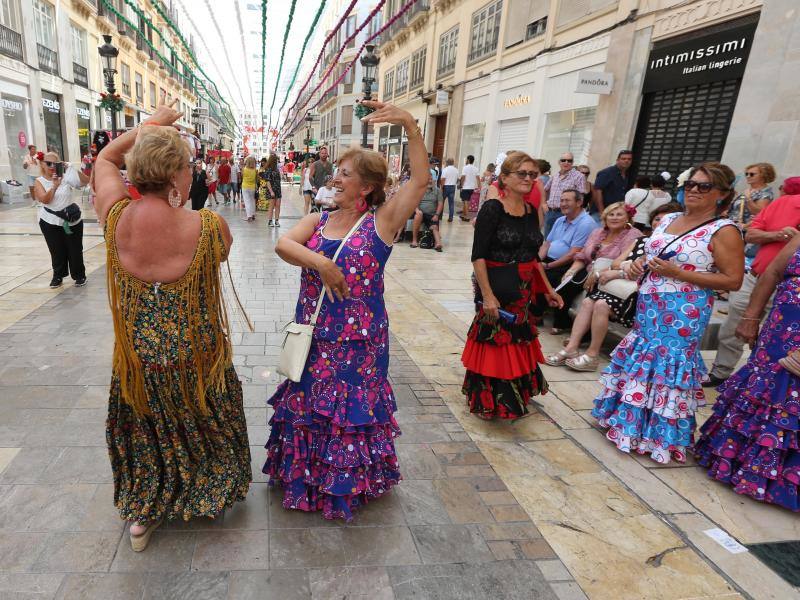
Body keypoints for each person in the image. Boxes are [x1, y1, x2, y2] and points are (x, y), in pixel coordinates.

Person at [91, 97, 251, 551]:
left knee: (145, 425)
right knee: (203, 416)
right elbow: (220, 255)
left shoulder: (114, 216)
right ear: (180, 174)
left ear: (137, 171)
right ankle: (209, 491)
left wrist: (148, 126)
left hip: (140, 358)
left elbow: (105, 157)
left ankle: (144, 511)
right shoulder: (208, 226)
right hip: (196, 354)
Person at [263, 100, 429, 520]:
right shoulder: (320, 221)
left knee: (347, 414)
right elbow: (284, 245)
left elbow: (420, 182)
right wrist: (322, 263)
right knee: (309, 407)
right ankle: (307, 477)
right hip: (315, 336)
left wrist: (409, 124)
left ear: (367, 188)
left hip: (359, 345)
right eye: (337, 171)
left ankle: (345, 483)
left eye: (345, 174)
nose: (335, 178)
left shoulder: (383, 222)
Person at [592, 162, 744, 464]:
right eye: (690, 184)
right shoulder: (670, 218)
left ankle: (657, 435)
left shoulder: (724, 230)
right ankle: (627, 423)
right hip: (651, 305)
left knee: (667, 367)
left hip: (684, 311)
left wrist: (680, 273)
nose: (694, 190)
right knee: (644, 358)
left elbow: (733, 280)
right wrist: (636, 265)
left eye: (704, 186)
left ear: (721, 194)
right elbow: (651, 255)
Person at [694, 232, 800, 512]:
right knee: (764, 385)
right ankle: (737, 464)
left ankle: (780, 480)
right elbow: (772, 273)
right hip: (779, 329)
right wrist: (751, 317)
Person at [461, 152, 563, 420]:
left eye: (533, 174)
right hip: (495, 286)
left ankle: (514, 397)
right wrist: (487, 296)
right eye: (522, 173)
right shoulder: (492, 208)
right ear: (504, 178)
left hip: (523, 289)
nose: (529, 178)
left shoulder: (531, 211)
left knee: (518, 341)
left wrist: (549, 290)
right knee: (494, 342)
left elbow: (533, 257)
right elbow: (478, 256)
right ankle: (488, 401)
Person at [546, 204, 678, 371]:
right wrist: (627, 267)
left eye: (666, 219)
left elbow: (645, 272)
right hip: (621, 288)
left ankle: (592, 355)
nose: (660, 222)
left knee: (600, 303)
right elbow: (616, 263)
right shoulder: (642, 240)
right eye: (657, 218)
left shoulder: (670, 245)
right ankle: (571, 348)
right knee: (588, 302)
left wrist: (621, 271)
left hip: (642, 295)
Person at [704, 189, 800, 387]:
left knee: (773, 343)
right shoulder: (784, 203)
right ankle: (721, 372)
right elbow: (750, 235)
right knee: (734, 329)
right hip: (757, 278)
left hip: (791, 295)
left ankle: (757, 380)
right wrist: (778, 234)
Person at [538, 189, 597, 334]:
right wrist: (538, 261)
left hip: (571, 263)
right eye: (562, 200)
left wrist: (548, 265)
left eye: (567, 200)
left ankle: (561, 322)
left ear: (579, 202)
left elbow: (573, 253)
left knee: (554, 279)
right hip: (550, 260)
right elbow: (547, 243)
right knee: (530, 271)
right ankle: (536, 313)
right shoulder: (560, 219)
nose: (563, 204)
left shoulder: (586, 223)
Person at [33, 152, 90, 288]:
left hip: (71, 221)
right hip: (49, 221)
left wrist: (72, 168)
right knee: (56, 250)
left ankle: (79, 275)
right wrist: (54, 186)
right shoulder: (39, 181)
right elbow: (45, 200)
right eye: (48, 163)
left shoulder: (66, 177)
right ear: (42, 164)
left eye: (56, 163)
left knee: (75, 249)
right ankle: (58, 276)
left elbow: (85, 181)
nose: (52, 166)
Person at [544, 152, 588, 237]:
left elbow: (581, 196)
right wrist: (544, 203)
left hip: (565, 214)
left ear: (573, 162)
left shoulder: (579, 176)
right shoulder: (555, 175)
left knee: (561, 240)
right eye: (563, 160)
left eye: (569, 161)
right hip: (550, 212)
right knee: (548, 240)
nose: (566, 163)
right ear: (559, 162)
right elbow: (545, 189)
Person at [729, 162, 776, 229]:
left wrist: (748, 198)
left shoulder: (765, 193)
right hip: (733, 225)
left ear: (763, 176)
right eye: (746, 174)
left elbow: (759, 213)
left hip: (743, 229)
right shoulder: (749, 190)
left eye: (752, 174)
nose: (748, 176)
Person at [593, 150, 633, 216]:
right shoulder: (606, 173)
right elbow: (597, 192)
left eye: (629, 159)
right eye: (623, 159)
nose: (626, 161)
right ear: (617, 160)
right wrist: (602, 212)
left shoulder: (627, 175)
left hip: (615, 213)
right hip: (601, 213)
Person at [411, 174, 444, 252]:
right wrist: (417, 210)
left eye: (431, 179)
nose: (429, 181)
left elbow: (440, 204)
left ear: (433, 181)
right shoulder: (419, 190)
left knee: (434, 227)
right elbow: (414, 202)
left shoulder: (438, 191)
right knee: (418, 215)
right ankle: (414, 240)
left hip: (432, 214)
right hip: (420, 213)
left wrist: (437, 215)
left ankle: (438, 244)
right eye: (427, 179)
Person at [459, 155, 480, 222]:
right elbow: (478, 179)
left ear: (468, 160)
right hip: (471, 187)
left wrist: (461, 185)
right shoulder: (476, 168)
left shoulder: (465, 168)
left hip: (465, 187)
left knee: (465, 201)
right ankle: (464, 215)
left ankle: (466, 216)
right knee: (466, 201)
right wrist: (479, 186)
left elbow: (463, 177)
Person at [264, 154, 283, 228]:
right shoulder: (268, 169)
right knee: (271, 206)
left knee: (278, 205)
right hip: (272, 190)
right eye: (276, 160)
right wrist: (271, 191)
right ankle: (270, 221)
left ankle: (277, 220)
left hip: (278, 189)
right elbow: (267, 181)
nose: (277, 161)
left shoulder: (276, 169)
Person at [440, 158, 459, 222]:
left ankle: (440, 216)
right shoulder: (456, 170)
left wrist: (441, 187)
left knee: (441, 202)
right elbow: (457, 180)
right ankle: (451, 218)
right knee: (451, 203)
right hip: (452, 187)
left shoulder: (445, 169)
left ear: (447, 162)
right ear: (453, 162)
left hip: (446, 187)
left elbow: (443, 179)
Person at [241, 156, 258, 221]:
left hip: (245, 186)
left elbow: (242, 177)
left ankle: (249, 216)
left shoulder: (244, 169)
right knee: (252, 201)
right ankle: (253, 214)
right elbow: (256, 179)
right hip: (252, 187)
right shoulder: (255, 170)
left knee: (247, 201)